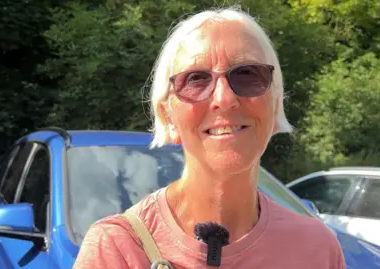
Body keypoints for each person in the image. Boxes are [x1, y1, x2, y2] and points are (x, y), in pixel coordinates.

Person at [73, 6, 346, 269]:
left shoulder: (317, 247)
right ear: (167, 115)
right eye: (196, 79)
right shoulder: (118, 248)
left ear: (276, 104)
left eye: (248, 74)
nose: (225, 99)